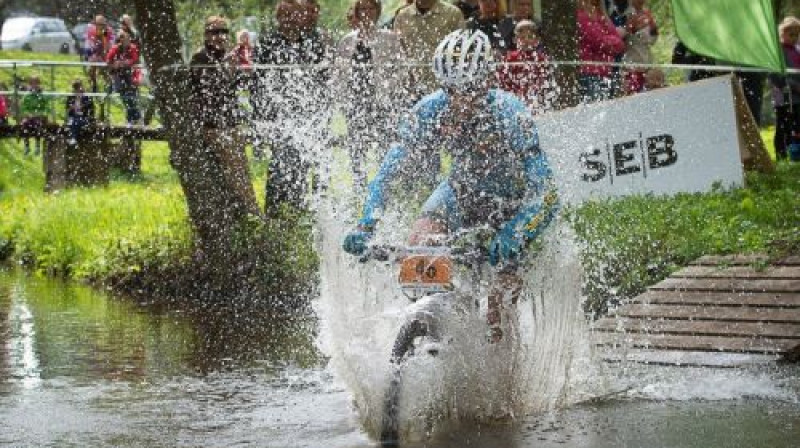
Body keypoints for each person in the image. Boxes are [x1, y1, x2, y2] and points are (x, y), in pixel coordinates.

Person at [342, 30, 559, 343]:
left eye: (467, 89)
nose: (459, 99)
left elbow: (547, 194)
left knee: (500, 297)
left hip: (512, 203)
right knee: (420, 245)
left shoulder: (511, 113)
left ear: (486, 81)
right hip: (459, 191)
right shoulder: (429, 108)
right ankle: (431, 322)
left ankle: (500, 365)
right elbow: (387, 173)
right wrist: (366, 223)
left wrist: (517, 231)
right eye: (450, 89)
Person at [251, 0, 331, 214]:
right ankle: (275, 211)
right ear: (278, 17)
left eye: (293, 14)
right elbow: (258, 82)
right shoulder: (267, 42)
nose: (289, 19)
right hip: (278, 115)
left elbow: (323, 80)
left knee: (303, 161)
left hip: (307, 115)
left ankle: (299, 210)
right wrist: (262, 118)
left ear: (300, 16)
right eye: (284, 14)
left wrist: (321, 112)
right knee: (279, 162)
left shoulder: (313, 43)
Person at [335, 0, 405, 195]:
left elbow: (400, 70)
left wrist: (387, 89)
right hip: (355, 101)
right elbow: (339, 74)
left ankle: (383, 189)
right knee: (356, 149)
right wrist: (342, 100)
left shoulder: (389, 38)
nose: (367, 12)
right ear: (357, 12)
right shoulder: (347, 40)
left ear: (378, 11)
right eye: (363, 8)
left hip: (381, 100)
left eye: (371, 8)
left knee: (384, 146)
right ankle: (359, 188)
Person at [393, 0, 464, 104]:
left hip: (444, 87)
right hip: (413, 88)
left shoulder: (452, 13)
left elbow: (461, 49)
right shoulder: (403, 16)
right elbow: (399, 51)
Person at [497, 19, 556, 113]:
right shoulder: (510, 58)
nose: (526, 40)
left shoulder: (541, 59)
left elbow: (543, 82)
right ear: (515, 40)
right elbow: (503, 81)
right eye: (522, 37)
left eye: (530, 37)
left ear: (537, 40)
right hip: (513, 101)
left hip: (535, 100)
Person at [576, 0, 625, 102]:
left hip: (606, 72)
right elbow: (599, 42)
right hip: (590, 73)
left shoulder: (602, 16)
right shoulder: (582, 16)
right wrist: (612, 40)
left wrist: (610, 40)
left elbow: (620, 44)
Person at [769, 17, 800, 161]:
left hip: (797, 98)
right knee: (783, 127)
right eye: (791, 34)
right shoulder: (777, 52)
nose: (794, 38)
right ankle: (781, 156)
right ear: (782, 33)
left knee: (796, 126)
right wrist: (792, 85)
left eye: (797, 34)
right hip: (783, 98)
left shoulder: (797, 50)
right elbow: (775, 75)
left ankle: (795, 154)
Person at [620, 0, 658, 95]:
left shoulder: (647, 14)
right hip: (631, 66)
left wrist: (653, 28)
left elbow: (651, 40)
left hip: (646, 64)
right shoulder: (624, 14)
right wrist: (630, 27)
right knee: (632, 95)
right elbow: (620, 39)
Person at [106, 30, 141, 125]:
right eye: (126, 39)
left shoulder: (132, 48)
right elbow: (108, 60)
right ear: (121, 40)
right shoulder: (115, 48)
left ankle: (132, 119)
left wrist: (124, 62)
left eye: (128, 39)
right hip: (119, 76)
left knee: (131, 98)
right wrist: (114, 64)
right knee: (126, 98)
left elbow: (134, 59)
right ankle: (135, 117)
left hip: (130, 76)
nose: (128, 41)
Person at [20, 75, 49, 156]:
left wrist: (40, 114)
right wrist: (29, 114)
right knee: (25, 124)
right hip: (29, 116)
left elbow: (46, 108)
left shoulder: (42, 95)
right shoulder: (27, 95)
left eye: (36, 83)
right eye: (32, 83)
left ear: (38, 84)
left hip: (39, 116)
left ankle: (37, 145)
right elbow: (24, 108)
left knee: (37, 124)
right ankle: (27, 146)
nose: (34, 85)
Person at [86, 15, 115, 93]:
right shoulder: (91, 30)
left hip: (107, 54)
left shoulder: (108, 31)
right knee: (91, 65)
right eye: (98, 24)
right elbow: (90, 45)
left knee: (105, 68)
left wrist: (104, 36)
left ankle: (109, 85)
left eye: (103, 24)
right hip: (96, 54)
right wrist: (96, 54)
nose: (101, 26)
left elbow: (110, 46)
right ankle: (94, 85)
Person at [65, 79, 95, 146]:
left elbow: (91, 111)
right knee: (73, 121)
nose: (77, 91)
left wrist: (83, 107)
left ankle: (74, 138)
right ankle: (74, 139)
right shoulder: (71, 98)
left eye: (79, 88)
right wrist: (71, 108)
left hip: (84, 118)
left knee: (76, 122)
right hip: (73, 117)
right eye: (76, 89)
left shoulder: (87, 98)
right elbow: (67, 110)